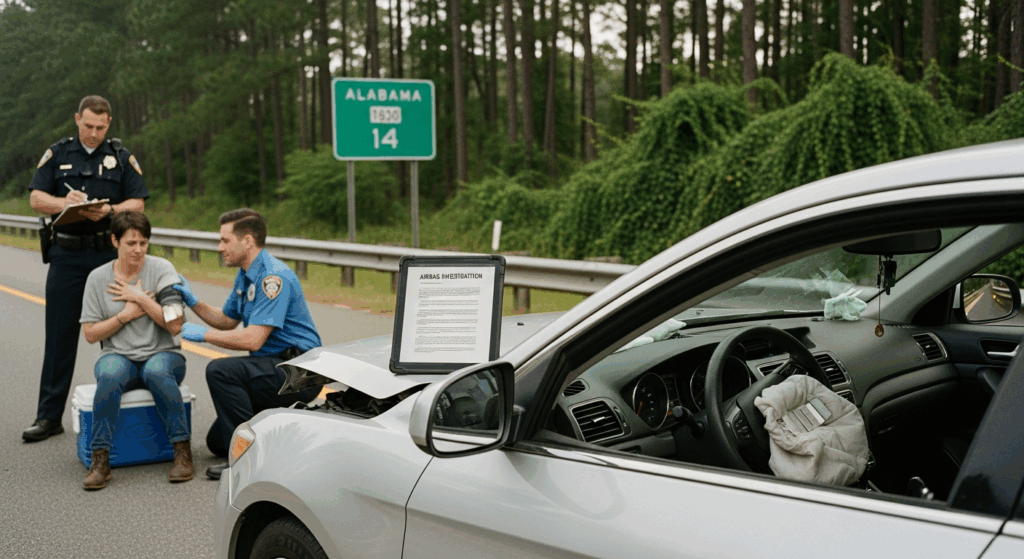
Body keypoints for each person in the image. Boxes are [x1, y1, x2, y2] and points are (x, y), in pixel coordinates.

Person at [24, 95, 148, 442]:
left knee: (119, 334)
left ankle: (127, 411)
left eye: (100, 127)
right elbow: (36, 198)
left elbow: (137, 201)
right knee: (60, 337)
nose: (93, 133)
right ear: (77, 119)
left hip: (107, 257)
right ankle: (48, 417)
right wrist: (65, 202)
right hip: (66, 255)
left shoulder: (121, 157)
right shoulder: (58, 153)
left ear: (108, 124)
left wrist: (110, 211)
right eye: (88, 125)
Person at [174, 209, 322, 480]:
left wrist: (204, 336)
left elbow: (253, 339)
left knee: (220, 371)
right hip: (271, 366)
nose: (220, 248)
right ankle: (272, 436)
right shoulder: (246, 275)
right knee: (217, 443)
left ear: (248, 241)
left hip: (299, 372)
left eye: (225, 241)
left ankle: (246, 461)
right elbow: (227, 320)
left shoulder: (272, 278)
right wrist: (193, 302)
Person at [79, 211, 192, 489]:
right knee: (108, 375)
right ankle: (100, 459)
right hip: (118, 356)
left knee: (157, 371)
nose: (138, 250)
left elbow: (175, 323)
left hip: (164, 353)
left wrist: (139, 297)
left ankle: (183, 452)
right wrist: (125, 315)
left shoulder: (162, 269)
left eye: (143, 242)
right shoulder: (96, 278)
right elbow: (90, 334)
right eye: (131, 243)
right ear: (115, 241)